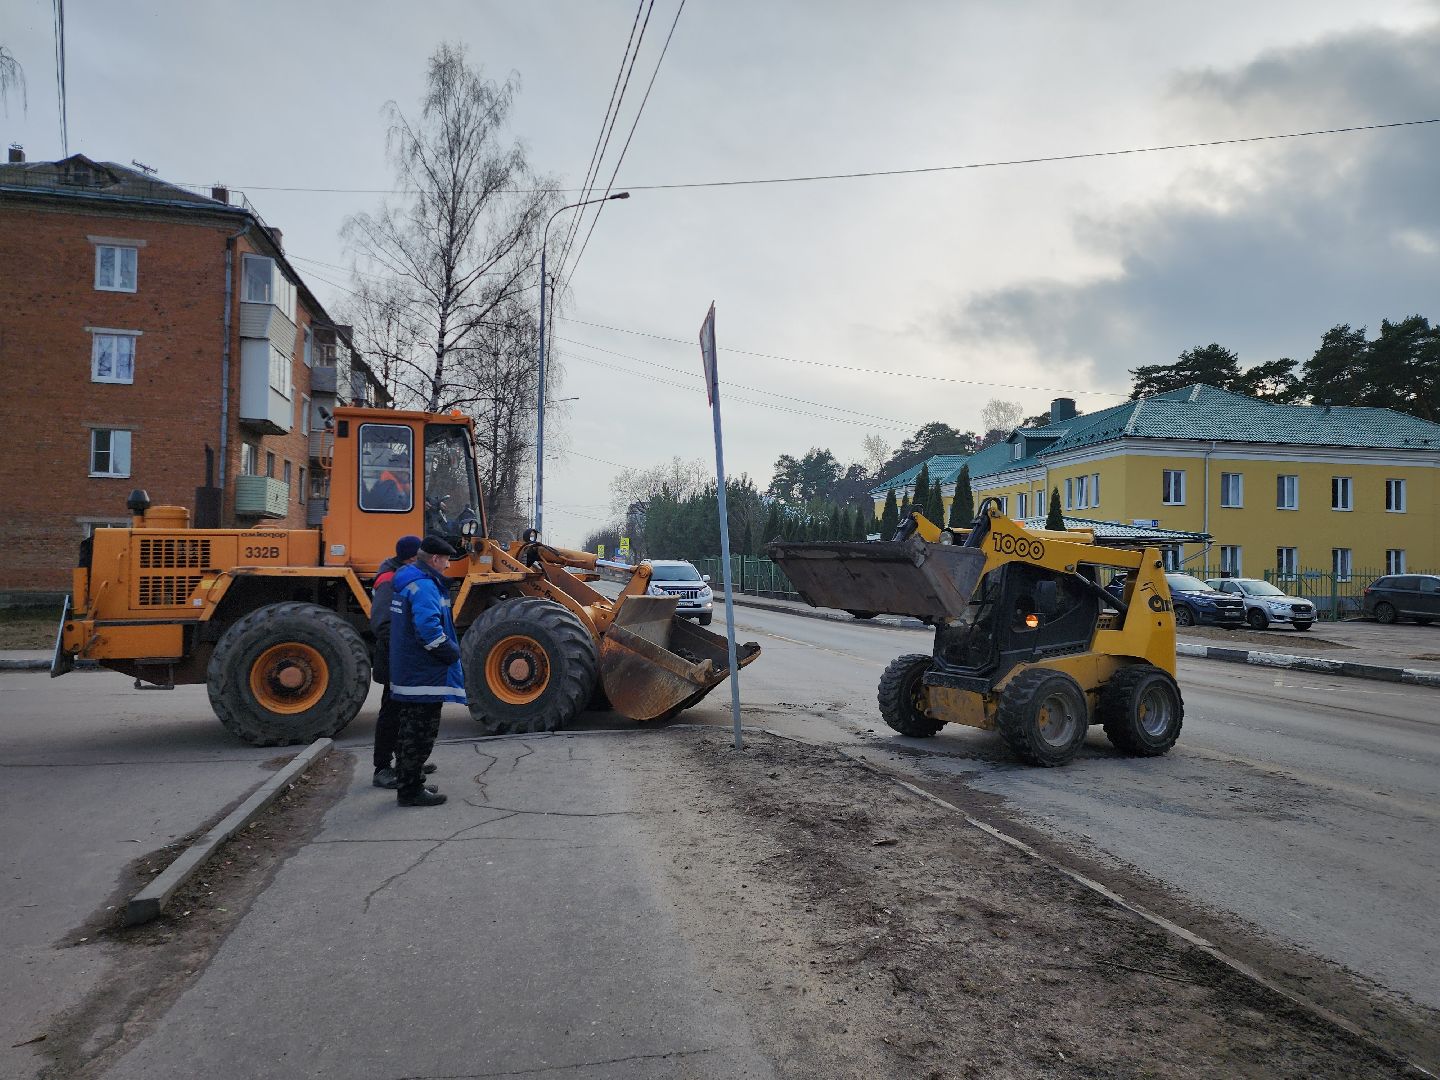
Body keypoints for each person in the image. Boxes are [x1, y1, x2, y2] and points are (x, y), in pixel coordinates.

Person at [388, 534, 465, 807]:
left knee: (408, 730)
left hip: (410, 671)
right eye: (446, 560)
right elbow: (429, 630)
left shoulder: (408, 580)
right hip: (423, 674)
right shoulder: (424, 586)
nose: (448, 565)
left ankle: (410, 780)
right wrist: (452, 653)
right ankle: (410, 791)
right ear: (434, 559)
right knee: (420, 734)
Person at [370, 535, 438, 789]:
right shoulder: (390, 580)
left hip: (403, 658)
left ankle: (406, 763)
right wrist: (406, 649)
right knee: (391, 713)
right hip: (394, 658)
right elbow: (383, 624)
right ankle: (382, 768)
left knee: (405, 713)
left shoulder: (403, 575)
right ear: (410, 558)